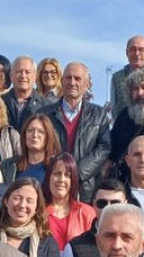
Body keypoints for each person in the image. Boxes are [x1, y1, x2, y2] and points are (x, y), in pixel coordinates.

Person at [43, 61, 110, 200]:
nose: (72, 82)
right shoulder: (45, 114)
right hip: (52, 185)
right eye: (68, 77)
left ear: (87, 84)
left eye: (77, 78)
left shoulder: (99, 114)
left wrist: (76, 174)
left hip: (86, 188)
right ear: (61, 81)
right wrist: (58, 173)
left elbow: (104, 147)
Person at [61, 179, 144, 257]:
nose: (108, 208)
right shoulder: (74, 247)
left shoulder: (141, 243)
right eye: (102, 203)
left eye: (115, 203)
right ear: (93, 205)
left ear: (126, 203)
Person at [108, 66, 144, 170]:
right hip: (125, 179)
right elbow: (113, 147)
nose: (140, 93)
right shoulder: (124, 116)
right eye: (135, 89)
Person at [43, 153, 97, 250]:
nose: (61, 179)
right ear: (48, 178)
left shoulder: (87, 213)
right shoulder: (38, 213)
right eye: (57, 173)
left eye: (67, 175)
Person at [0, 113, 61, 185]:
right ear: (24, 135)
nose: (35, 135)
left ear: (48, 136)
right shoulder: (8, 166)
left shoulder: (56, 166)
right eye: (30, 130)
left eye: (41, 131)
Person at [3, 55, 48, 130]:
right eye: (19, 72)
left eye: (27, 72)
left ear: (35, 76)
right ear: (11, 76)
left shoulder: (47, 106)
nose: (23, 76)